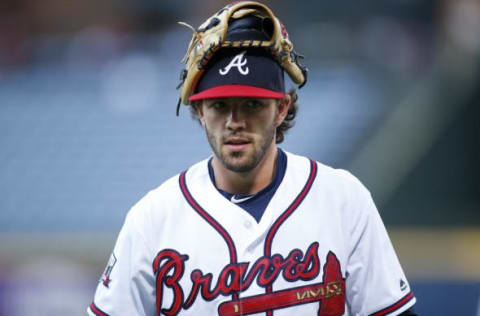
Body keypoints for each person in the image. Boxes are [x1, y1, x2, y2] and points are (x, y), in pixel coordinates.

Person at [88, 2, 417, 315]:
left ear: (281, 108)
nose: (235, 121)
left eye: (252, 104)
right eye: (219, 105)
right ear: (200, 111)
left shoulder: (344, 200)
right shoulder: (152, 219)